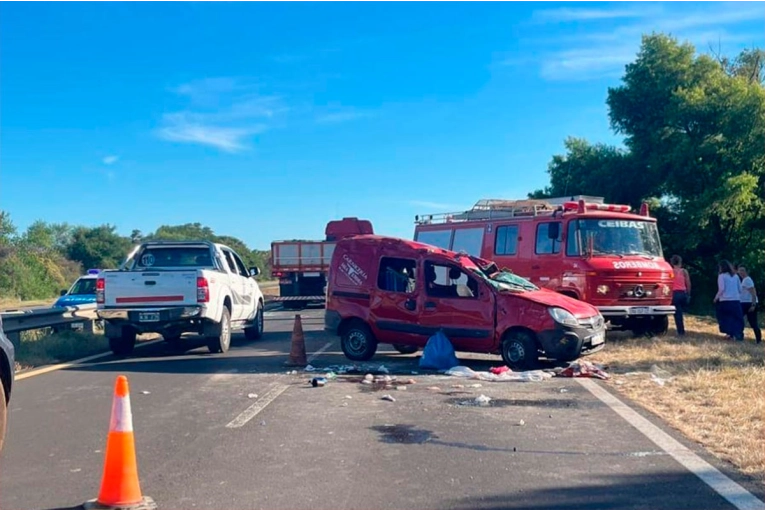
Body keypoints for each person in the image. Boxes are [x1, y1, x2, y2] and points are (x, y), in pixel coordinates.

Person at [714, 260, 744, 341]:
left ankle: (729, 333)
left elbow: (721, 289)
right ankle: (737, 334)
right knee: (737, 318)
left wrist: (716, 298)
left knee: (726, 318)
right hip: (736, 300)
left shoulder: (721, 276)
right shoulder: (736, 276)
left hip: (725, 300)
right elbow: (740, 289)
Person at [737, 265, 761, 344]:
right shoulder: (744, 280)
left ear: (746, 271)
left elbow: (753, 292)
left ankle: (758, 339)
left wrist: (753, 305)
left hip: (749, 303)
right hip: (743, 303)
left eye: (743, 270)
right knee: (738, 319)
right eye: (740, 270)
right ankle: (738, 336)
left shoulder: (747, 280)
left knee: (753, 322)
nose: (741, 272)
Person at [670, 255, 691, 336]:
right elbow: (688, 283)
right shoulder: (684, 271)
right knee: (681, 311)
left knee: (677, 313)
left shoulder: (671, 271)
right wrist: (688, 294)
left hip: (674, 293)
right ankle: (681, 330)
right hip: (683, 293)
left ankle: (680, 331)